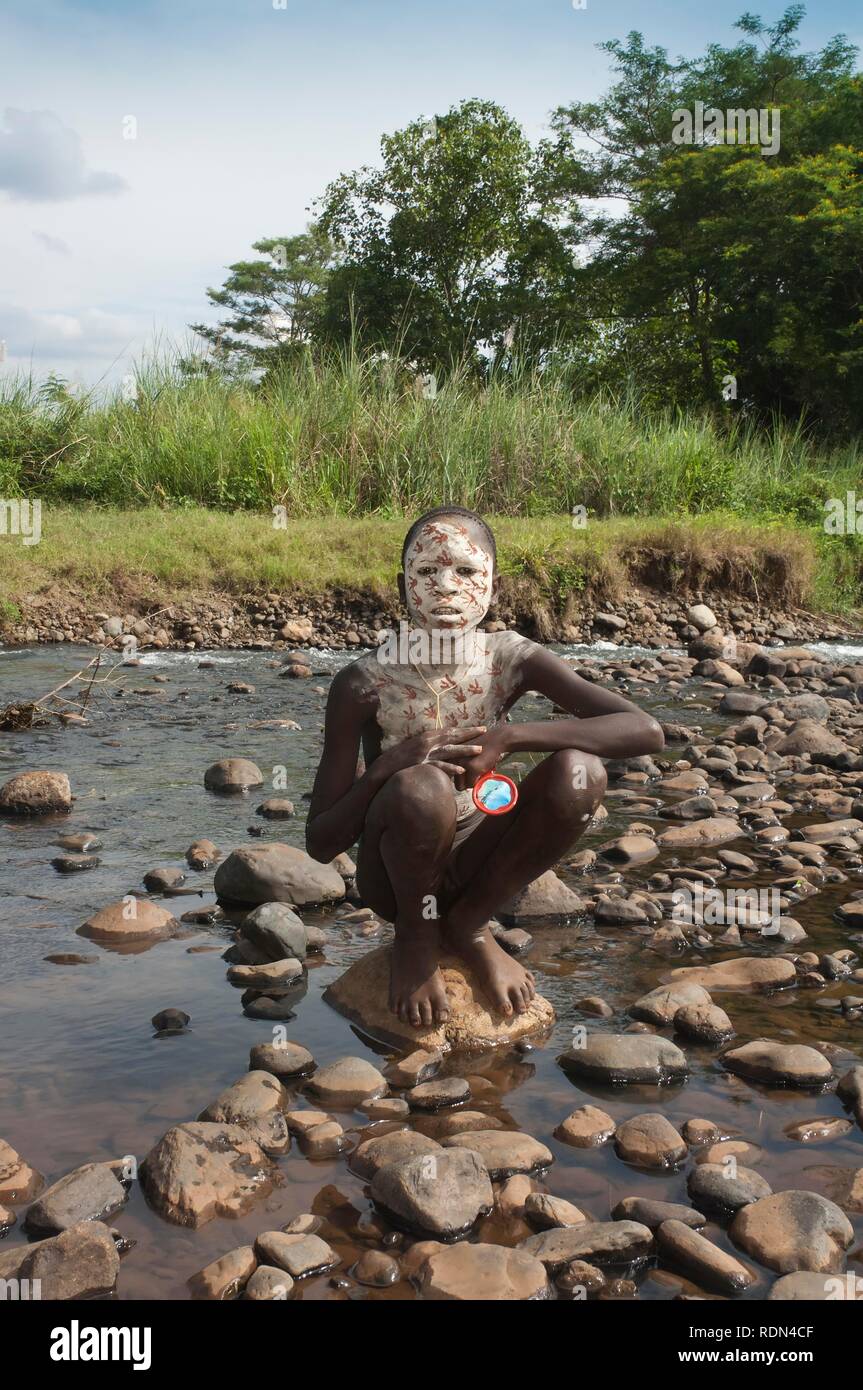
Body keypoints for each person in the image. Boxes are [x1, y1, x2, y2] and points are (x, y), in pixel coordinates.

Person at [306, 507, 664, 1028]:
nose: (447, 587)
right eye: (427, 571)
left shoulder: (509, 659)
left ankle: (471, 927)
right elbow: (320, 842)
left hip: (481, 865)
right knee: (422, 787)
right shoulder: (364, 683)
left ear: (493, 584)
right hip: (397, 879)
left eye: (467, 572)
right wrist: (389, 767)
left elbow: (643, 731)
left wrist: (511, 735)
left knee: (580, 771)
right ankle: (418, 938)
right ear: (402, 584)